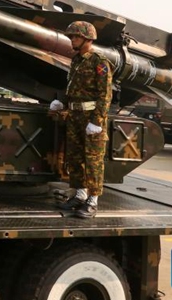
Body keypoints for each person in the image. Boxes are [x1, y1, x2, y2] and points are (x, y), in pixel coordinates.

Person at [49, 21, 113, 219]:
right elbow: (73, 87)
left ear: (87, 38)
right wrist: (62, 103)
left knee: (93, 161)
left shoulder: (99, 62)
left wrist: (97, 121)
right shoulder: (76, 60)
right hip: (74, 116)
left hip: (90, 118)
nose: (72, 40)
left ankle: (93, 201)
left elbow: (105, 95)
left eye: (76, 36)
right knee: (75, 158)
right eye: (71, 37)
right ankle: (80, 194)